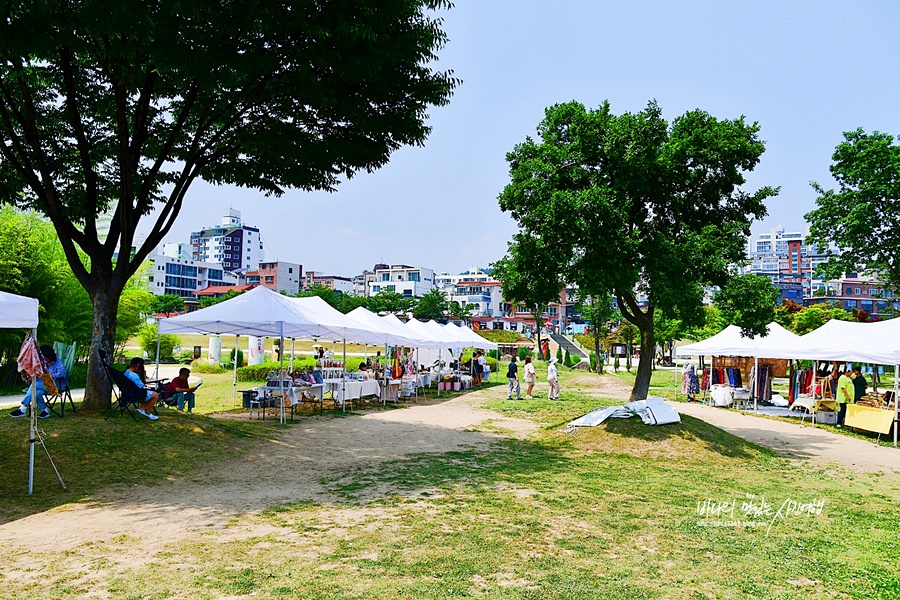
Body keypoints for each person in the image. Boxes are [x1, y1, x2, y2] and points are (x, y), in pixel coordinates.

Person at [9, 345, 68, 419]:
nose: (44, 359)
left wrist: (50, 376)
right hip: (44, 384)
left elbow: (62, 373)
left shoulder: (57, 362)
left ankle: (23, 408)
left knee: (35, 385)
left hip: (57, 384)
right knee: (37, 393)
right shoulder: (41, 363)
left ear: (49, 356)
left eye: (45, 357)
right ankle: (45, 411)